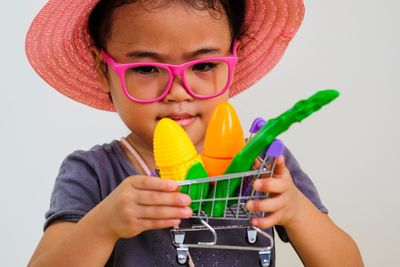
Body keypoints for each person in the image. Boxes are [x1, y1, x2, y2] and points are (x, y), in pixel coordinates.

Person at [25, 0, 364, 266]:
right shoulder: (93, 173)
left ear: (234, 59)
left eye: (203, 65)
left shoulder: (265, 166)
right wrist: (103, 226)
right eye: (146, 68)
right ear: (104, 71)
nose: (177, 91)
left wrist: (296, 211)